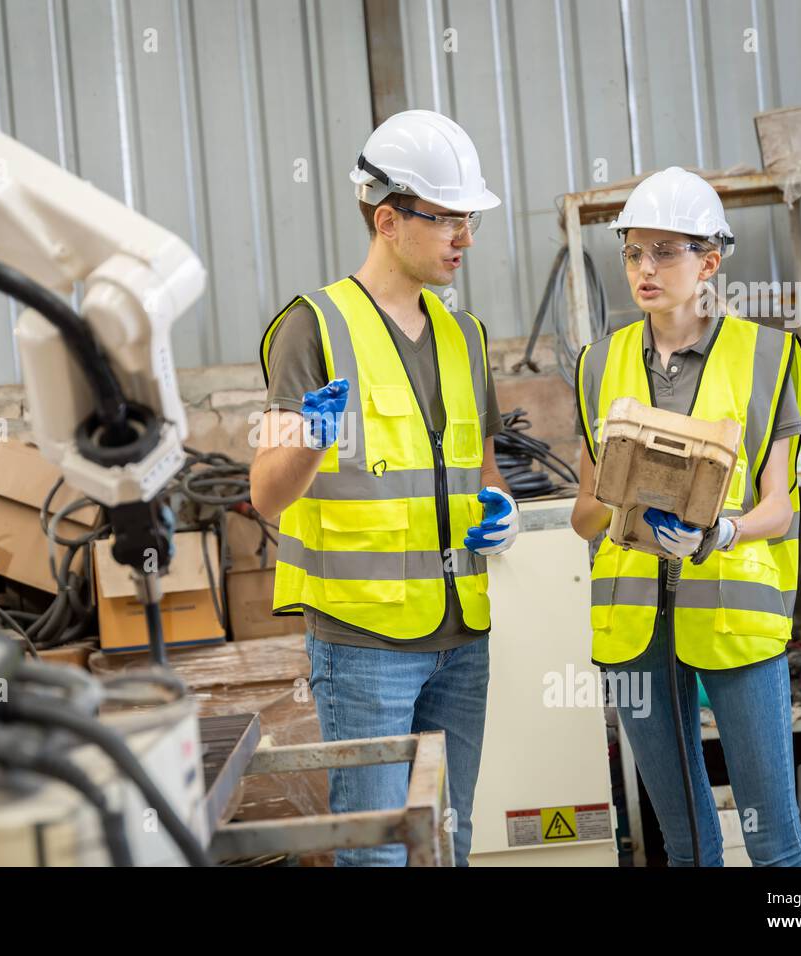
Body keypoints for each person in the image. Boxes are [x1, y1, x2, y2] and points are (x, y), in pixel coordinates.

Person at [248, 109, 518, 866]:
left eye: (469, 221)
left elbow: (483, 470)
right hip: (365, 645)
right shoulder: (313, 327)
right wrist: (310, 437)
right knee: (377, 856)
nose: (465, 239)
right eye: (447, 221)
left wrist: (503, 513)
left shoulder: (466, 335)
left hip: (463, 635)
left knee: (449, 842)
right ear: (389, 219)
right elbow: (266, 495)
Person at [570, 166, 801, 866]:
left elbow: (781, 505)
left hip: (734, 616)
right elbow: (585, 516)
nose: (645, 269)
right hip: (633, 622)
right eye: (634, 251)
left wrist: (723, 531)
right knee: (686, 844)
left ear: (710, 261)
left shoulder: (769, 355)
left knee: (773, 839)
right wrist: (621, 501)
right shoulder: (596, 365)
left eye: (666, 252)